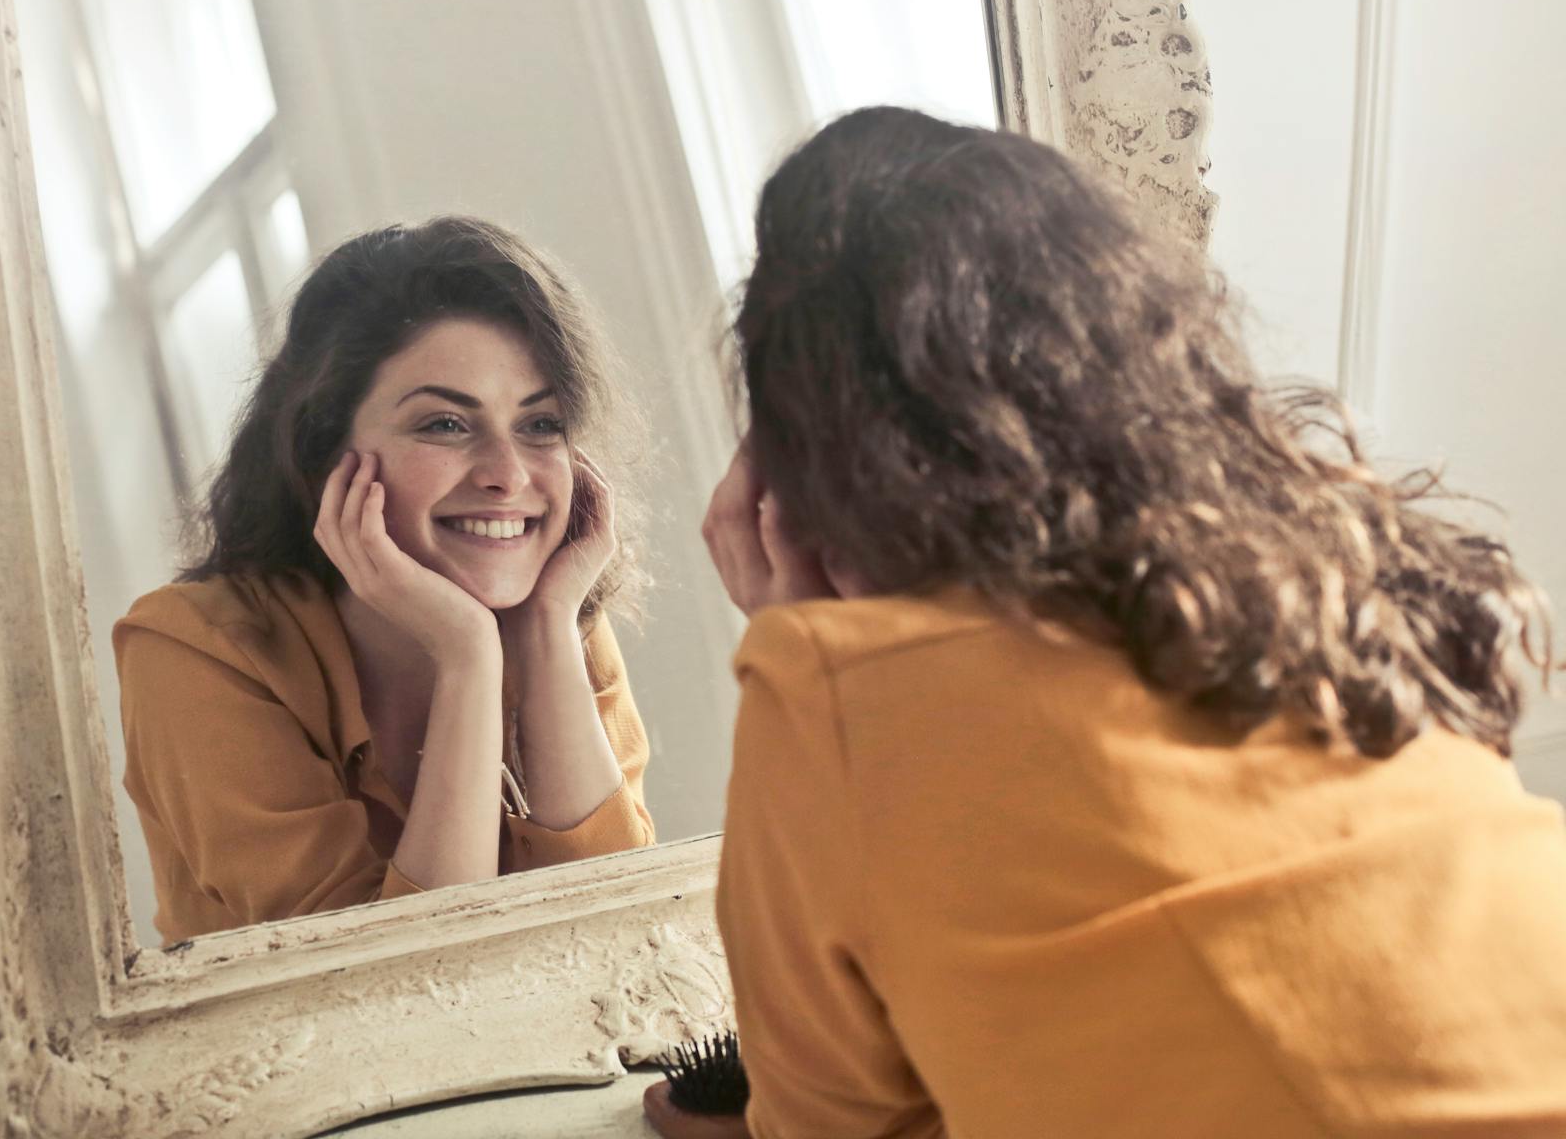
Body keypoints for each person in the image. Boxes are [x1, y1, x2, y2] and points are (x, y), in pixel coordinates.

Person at [681, 108, 1566, 1137]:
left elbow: (832, 1129)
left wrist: (793, 638)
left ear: (794, 487)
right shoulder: (1328, 565)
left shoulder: (838, 697)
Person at [114, 216, 656, 945]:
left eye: (540, 424)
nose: (507, 474)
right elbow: (384, 984)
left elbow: (620, 937)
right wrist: (467, 658)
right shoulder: (194, 648)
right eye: (443, 425)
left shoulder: (557, 618)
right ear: (323, 454)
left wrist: (546, 633)